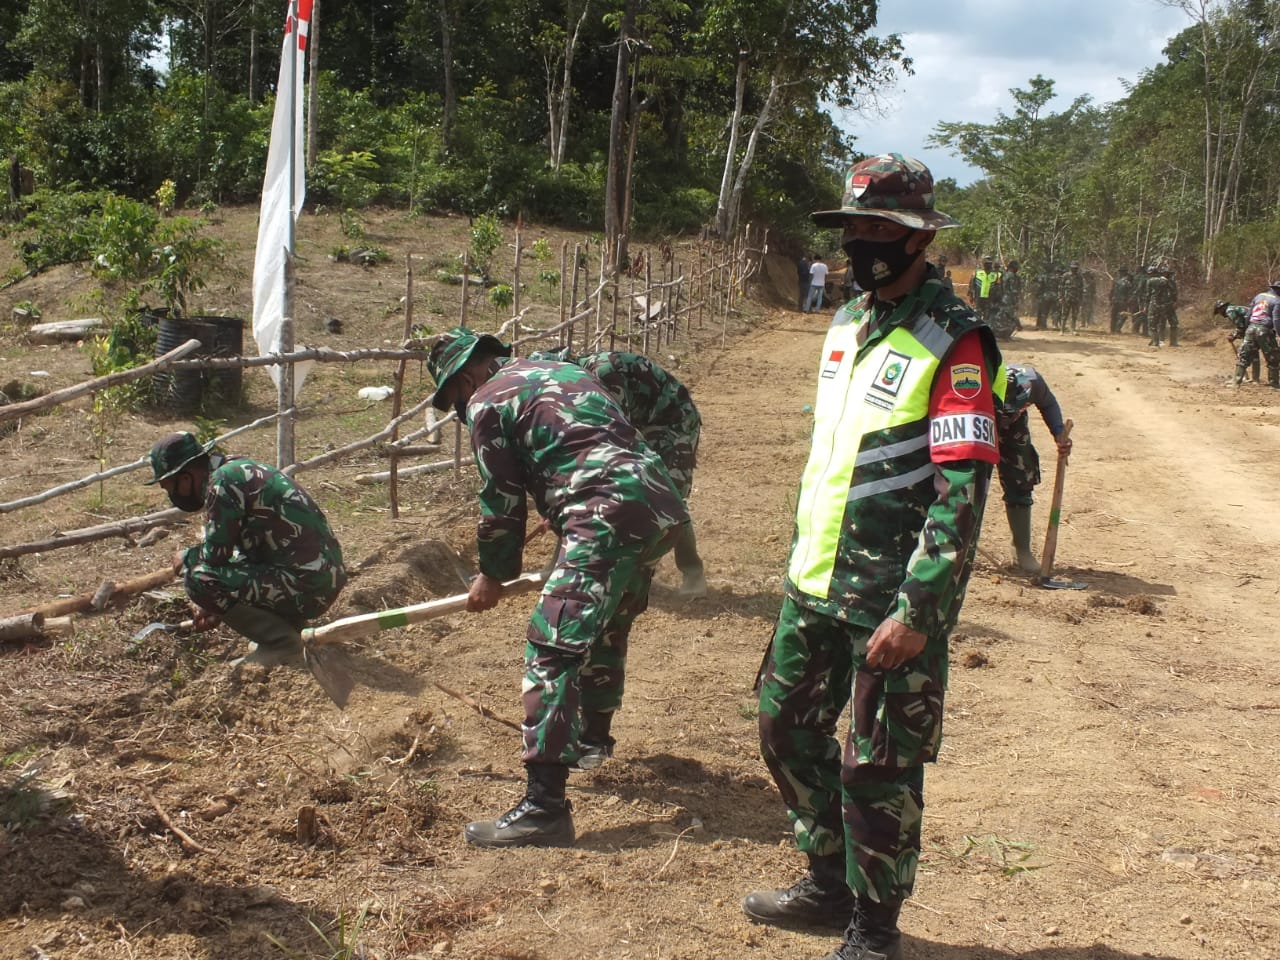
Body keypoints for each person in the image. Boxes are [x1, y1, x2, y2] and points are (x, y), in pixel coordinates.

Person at [743, 153, 1005, 960]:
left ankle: (874, 926)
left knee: (876, 768)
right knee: (784, 729)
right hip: (814, 585)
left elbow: (961, 495)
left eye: (878, 229)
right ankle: (825, 880)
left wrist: (919, 611)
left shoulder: (955, 341)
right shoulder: (848, 320)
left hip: (887, 600)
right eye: (852, 228)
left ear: (918, 237)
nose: (861, 243)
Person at [426, 327, 689, 849]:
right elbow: (589, 443)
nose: (458, 407)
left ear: (466, 375)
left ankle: (544, 806)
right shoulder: (565, 371)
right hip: (657, 505)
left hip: (602, 513)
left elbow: (500, 503)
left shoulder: (486, 401)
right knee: (607, 621)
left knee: (551, 646)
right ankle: (592, 737)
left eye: (453, 395)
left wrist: (491, 575)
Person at [144, 432, 347, 664]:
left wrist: (187, 556)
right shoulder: (238, 470)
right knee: (225, 573)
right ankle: (293, 631)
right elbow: (244, 556)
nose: (171, 495)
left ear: (186, 477)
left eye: (170, 486)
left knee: (198, 577)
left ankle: (283, 644)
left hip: (309, 587)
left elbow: (215, 556)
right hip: (321, 577)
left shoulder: (222, 483)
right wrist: (219, 605)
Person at [527, 347, 707, 597]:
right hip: (641, 423)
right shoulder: (578, 386)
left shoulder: (603, 374)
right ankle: (561, 568)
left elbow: (616, 436)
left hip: (673, 422)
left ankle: (692, 572)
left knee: (668, 497)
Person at [996, 365, 1073, 574]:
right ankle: (960, 548)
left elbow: (1048, 403)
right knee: (969, 483)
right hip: (975, 421)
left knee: (1021, 478)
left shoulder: (1032, 382)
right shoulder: (977, 381)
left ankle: (1022, 552)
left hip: (1014, 428)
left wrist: (1059, 433)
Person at [1234, 283, 1280, 387]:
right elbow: (1276, 319)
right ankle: (1274, 383)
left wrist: (1246, 328)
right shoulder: (1277, 301)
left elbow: (1248, 314)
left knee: (1244, 355)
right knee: (1273, 357)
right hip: (1264, 330)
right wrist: (1279, 333)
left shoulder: (1259, 296)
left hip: (1251, 328)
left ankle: (1236, 381)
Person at [1214, 299, 1261, 383]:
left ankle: (1238, 378)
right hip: (1258, 327)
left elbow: (1241, 327)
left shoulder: (1230, 311)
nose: (1220, 314)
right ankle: (1255, 379)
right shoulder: (1235, 308)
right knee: (1254, 353)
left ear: (1221, 309)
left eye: (1219, 312)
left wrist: (1233, 336)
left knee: (1243, 352)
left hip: (1253, 329)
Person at [1144, 267, 1175, 347]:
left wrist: (1145, 306)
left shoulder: (1150, 281)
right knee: (1160, 322)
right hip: (1164, 305)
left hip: (1154, 304)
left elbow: (1148, 295)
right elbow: (1172, 291)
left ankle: (1155, 342)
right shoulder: (1165, 281)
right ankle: (1157, 340)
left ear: (1151, 273)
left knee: (1152, 324)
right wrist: (1171, 302)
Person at [967, 254, 1000, 322]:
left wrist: (997, 299)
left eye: (989, 263)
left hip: (989, 299)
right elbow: (971, 285)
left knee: (987, 316)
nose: (988, 265)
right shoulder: (977, 272)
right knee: (977, 315)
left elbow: (997, 287)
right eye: (986, 263)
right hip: (978, 298)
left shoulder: (995, 274)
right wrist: (970, 296)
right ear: (983, 263)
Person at [1059, 262, 1084, 333]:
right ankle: (1062, 330)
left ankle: (1073, 329)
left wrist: (1081, 299)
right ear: (1070, 268)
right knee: (1064, 314)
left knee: (1074, 315)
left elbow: (1081, 288)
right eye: (1073, 268)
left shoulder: (1079, 277)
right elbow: (1061, 287)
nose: (1074, 269)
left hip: (1076, 298)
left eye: (1076, 268)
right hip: (1067, 298)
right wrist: (1060, 297)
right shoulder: (1066, 275)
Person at [1110, 269, 1132, 334]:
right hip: (1123, 301)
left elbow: (1112, 291)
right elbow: (1130, 293)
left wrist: (1111, 299)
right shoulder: (1128, 283)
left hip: (1115, 300)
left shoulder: (1116, 281)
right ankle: (1117, 329)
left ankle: (1112, 329)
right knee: (1123, 315)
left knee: (1114, 315)